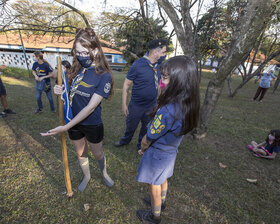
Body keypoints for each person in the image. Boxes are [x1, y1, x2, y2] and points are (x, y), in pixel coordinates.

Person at [41, 28, 114, 192]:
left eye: (84, 52)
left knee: (98, 154)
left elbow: (91, 107)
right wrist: (59, 91)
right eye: (77, 52)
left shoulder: (104, 75)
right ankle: (87, 175)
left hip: (91, 123)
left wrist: (65, 128)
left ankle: (104, 172)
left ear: (95, 50)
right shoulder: (76, 69)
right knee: (81, 153)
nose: (80, 56)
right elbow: (68, 92)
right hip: (72, 120)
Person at [136, 56, 200, 223]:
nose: (161, 81)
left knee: (153, 185)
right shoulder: (189, 104)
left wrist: (143, 148)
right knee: (163, 178)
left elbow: (148, 137)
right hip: (170, 152)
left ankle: (154, 215)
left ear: (179, 81)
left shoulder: (167, 111)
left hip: (156, 154)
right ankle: (162, 203)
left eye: (164, 77)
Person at [114, 39, 167, 150]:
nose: (165, 55)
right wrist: (124, 104)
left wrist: (159, 101)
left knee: (146, 128)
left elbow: (158, 83)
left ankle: (140, 145)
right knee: (131, 126)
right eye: (163, 52)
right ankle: (125, 140)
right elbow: (126, 85)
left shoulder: (159, 66)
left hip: (151, 105)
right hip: (136, 106)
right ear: (155, 52)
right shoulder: (138, 65)